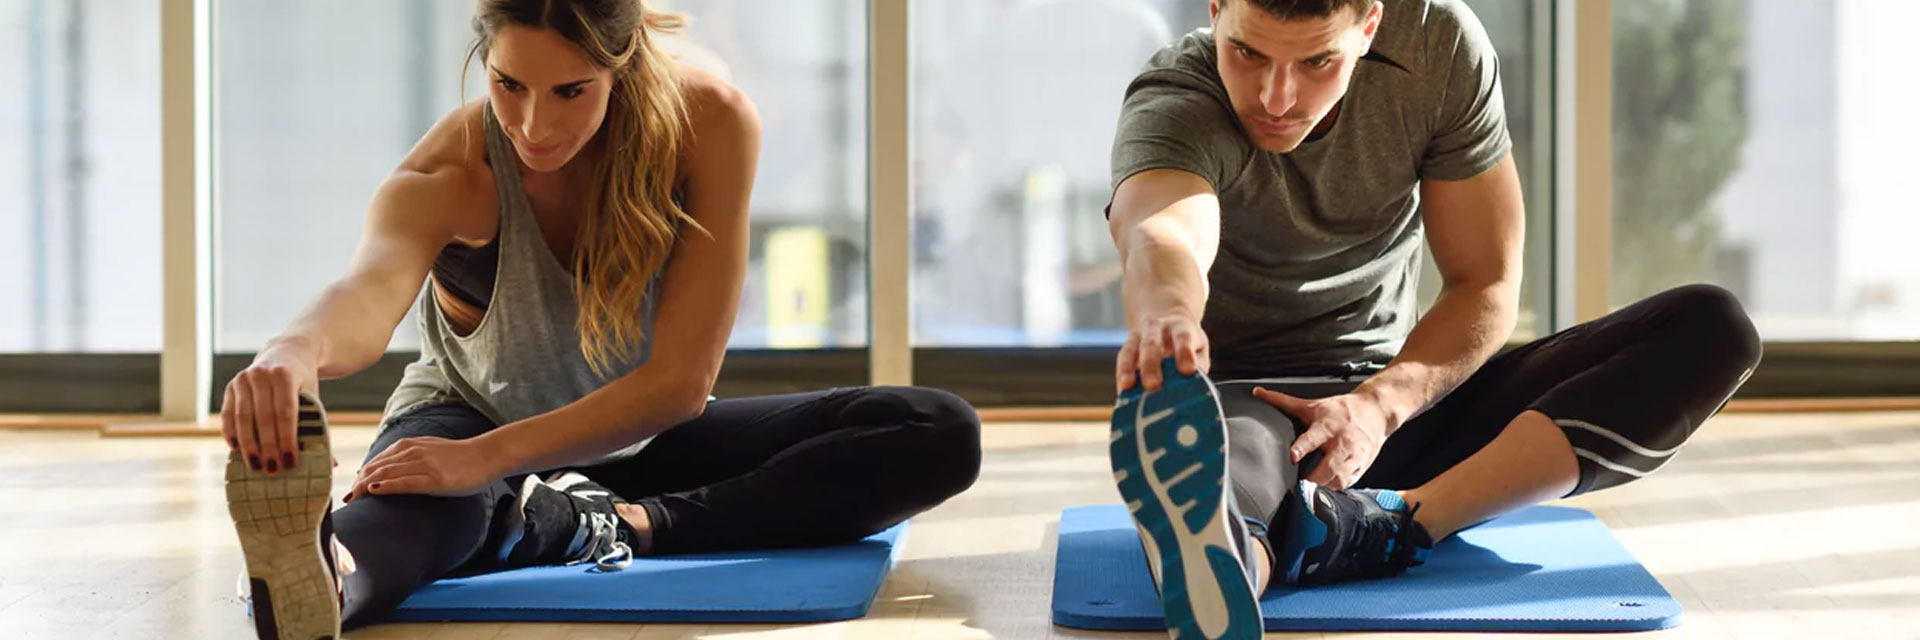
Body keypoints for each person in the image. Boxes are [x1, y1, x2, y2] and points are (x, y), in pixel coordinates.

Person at [220, 2, 982, 637]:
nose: (532, 124)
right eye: (508, 83)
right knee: (425, 514)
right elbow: (367, 294)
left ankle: (614, 523)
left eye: (570, 92)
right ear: (484, 57)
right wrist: (293, 351)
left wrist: (496, 462)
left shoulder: (708, 125)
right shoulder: (450, 172)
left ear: (620, 66)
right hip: (466, 421)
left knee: (935, 429)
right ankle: (326, 587)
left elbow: (680, 386)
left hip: (636, 433)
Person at [1103, 0, 1762, 637]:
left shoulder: (1435, 49)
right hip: (1250, 406)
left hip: (1402, 406)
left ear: (1369, 27)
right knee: (1221, 478)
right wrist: (1168, 314)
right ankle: (1237, 565)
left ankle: (1398, 522)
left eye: (1316, 63)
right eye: (1248, 52)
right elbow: (1167, 234)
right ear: (1217, 12)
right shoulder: (1177, 96)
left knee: (1711, 328)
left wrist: (1378, 406)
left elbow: (1488, 282)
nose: (1276, 97)